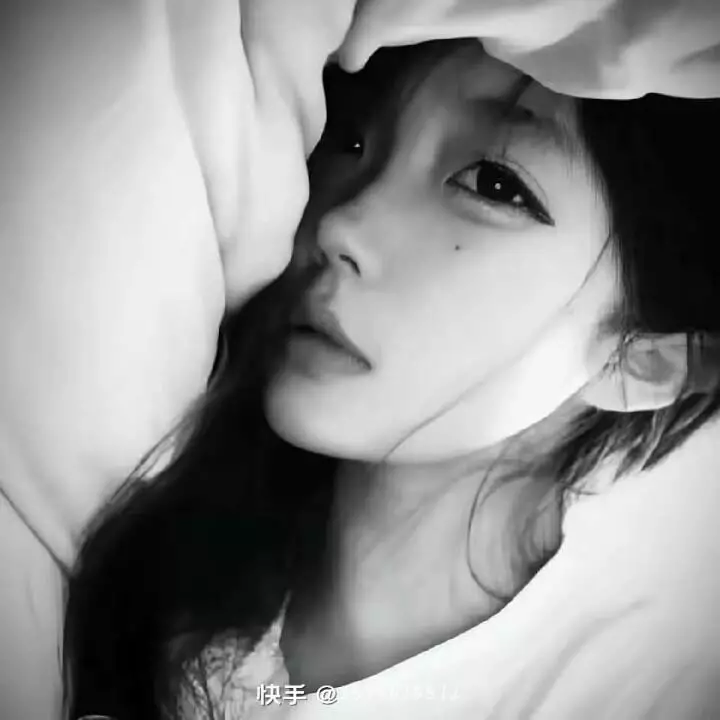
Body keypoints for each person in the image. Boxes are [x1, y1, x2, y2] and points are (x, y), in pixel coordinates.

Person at [63, 39, 720, 719]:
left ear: (645, 360)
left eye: (494, 184)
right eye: (349, 139)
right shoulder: (141, 571)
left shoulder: (643, 695)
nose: (341, 223)